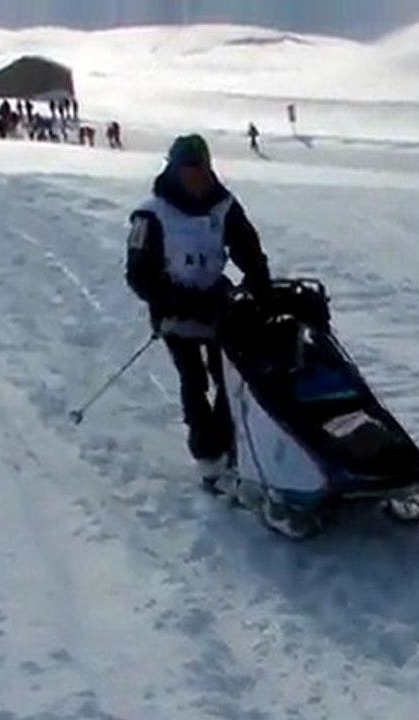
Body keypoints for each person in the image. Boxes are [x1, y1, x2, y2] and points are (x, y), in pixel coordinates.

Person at [125, 134, 271, 486]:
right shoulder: (151, 214)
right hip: (176, 309)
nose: (197, 175)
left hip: (218, 303)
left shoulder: (223, 205)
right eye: (189, 169)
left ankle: (228, 442)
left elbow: (247, 249)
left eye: (201, 167)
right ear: (174, 170)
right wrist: (170, 301)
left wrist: (260, 285)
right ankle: (207, 453)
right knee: (193, 379)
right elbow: (138, 275)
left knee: (230, 376)